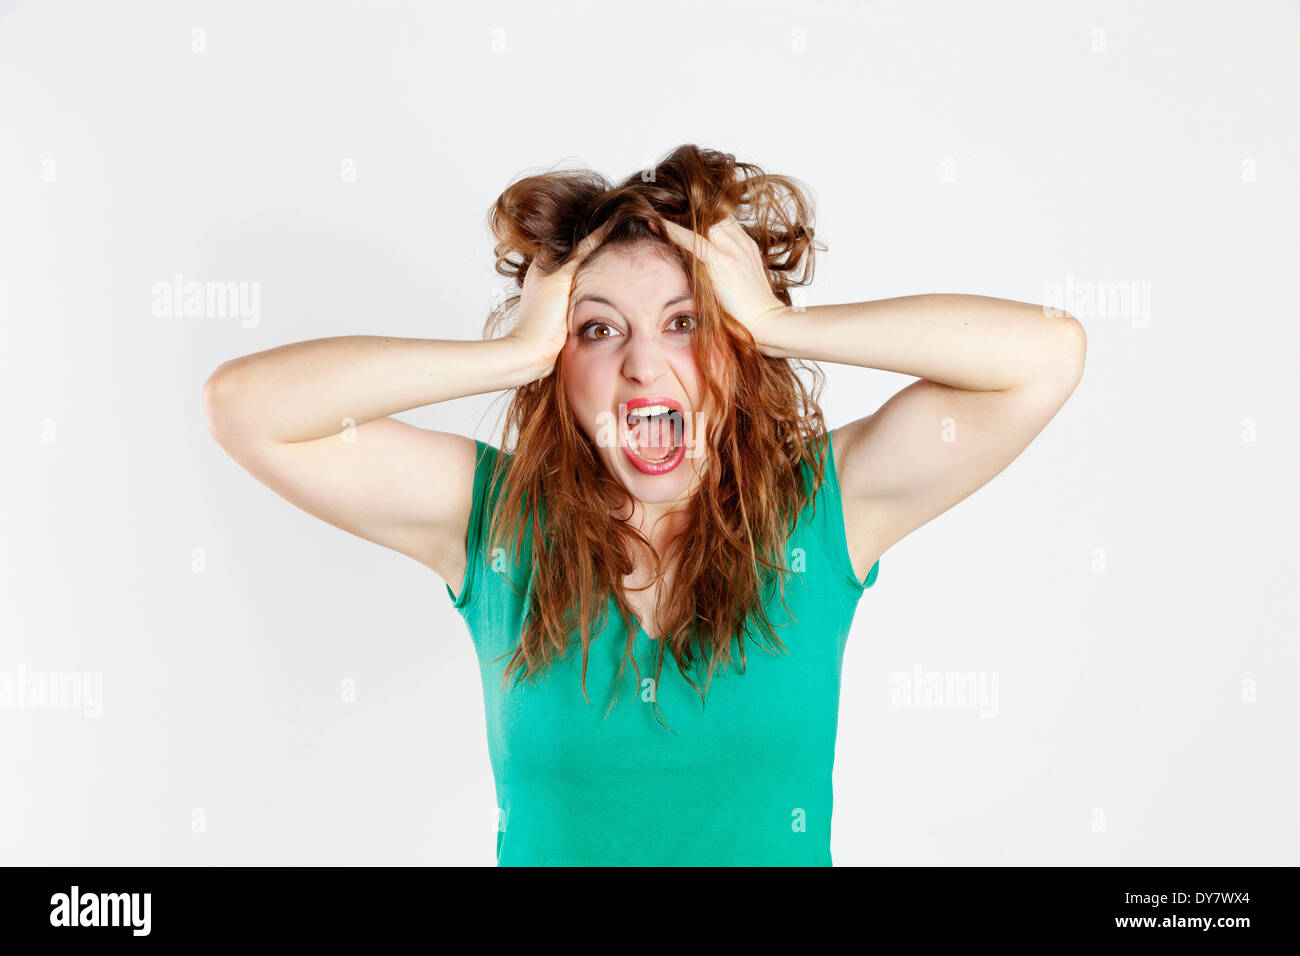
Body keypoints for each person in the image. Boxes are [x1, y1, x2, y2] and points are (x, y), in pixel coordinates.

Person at [202, 144, 1086, 866]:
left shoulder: (825, 511)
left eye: (683, 321)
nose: (641, 364)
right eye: (597, 328)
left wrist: (778, 325)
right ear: (561, 357)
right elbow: (246, 409)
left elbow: (1045, 356)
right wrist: (510, 355)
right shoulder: (492, 521)